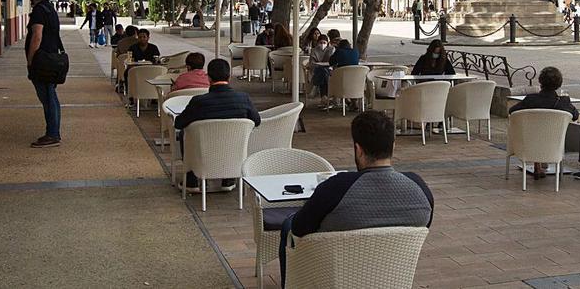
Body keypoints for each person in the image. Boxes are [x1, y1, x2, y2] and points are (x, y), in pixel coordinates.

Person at [279, 111, 434, 286]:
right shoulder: (420, 189)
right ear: (393, 146)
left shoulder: (336, 188)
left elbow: (299, 229)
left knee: (288, 225)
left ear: (358, 150)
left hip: (333, 275)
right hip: (390, 274)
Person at [174, 59, 261, 191]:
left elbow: (179, 123)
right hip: (232, 151)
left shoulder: (199, 102)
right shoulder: (243, 98)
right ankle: (229, 178)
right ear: (229, 77)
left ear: (208, 78)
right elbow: (257, 121)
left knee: (183, 134)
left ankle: (191, 180)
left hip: (203, 153)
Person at [508, 67, 578, 179]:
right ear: (559, 84)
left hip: (530, 142)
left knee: (536, 132)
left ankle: (537, 165)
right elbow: (575, 116)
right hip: (554, 143)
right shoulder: (563, 102)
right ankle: (541, 166)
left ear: (540, 82)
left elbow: (512, 111)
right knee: (546, 134)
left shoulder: (530, 100)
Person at [25, 0, 64, 148]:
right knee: (50, 96)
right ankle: (52, 132)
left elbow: (37, 35)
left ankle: (53, 134)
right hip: (52, 57)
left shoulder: (39, 11)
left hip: (43, 60)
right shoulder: (50, 9)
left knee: (48, 98)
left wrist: (30, 59)